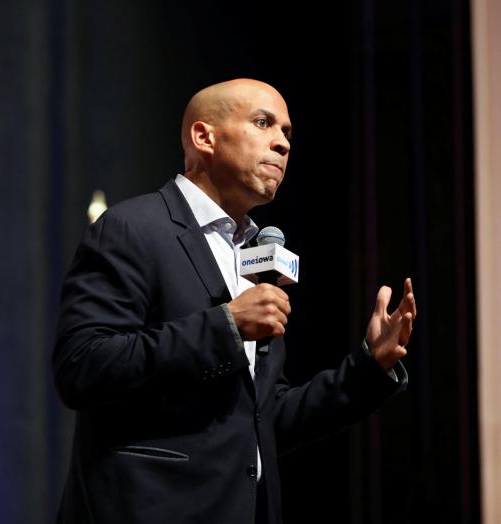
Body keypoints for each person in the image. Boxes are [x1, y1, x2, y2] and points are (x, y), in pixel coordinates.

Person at [52, 79, 416, 524]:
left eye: (286, 133)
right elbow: (82, 367)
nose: (282, 143)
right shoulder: (132, 229)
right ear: (204, 137)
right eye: (263, 124)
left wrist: (368, 369)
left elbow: (262, 420)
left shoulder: (251, 253)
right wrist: (225, 325)